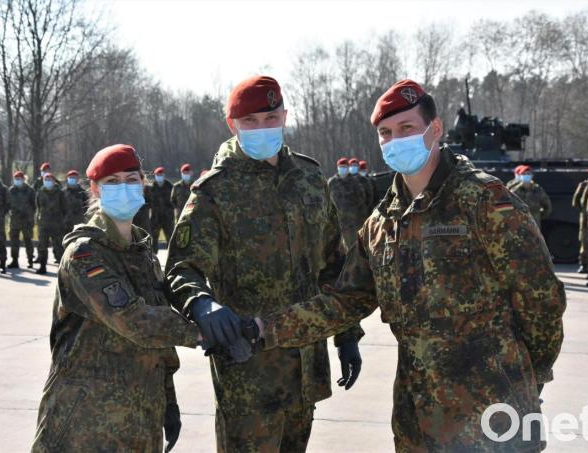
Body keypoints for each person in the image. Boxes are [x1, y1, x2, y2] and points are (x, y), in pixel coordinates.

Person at [242, 80, 566, 452]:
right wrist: (263, 328)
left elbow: (541, 300)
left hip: (493, 411)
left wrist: (529, 377)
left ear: (436, 129)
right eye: (386, 133)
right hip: (418, 419)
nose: (396, 140)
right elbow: (343, 302)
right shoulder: (382, 223)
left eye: (407, 128)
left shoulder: (484, 202)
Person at [165, 75, 364, 453]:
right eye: (251, 121)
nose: (263, 128)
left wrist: (347, 335)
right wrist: (202, 304)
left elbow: (334, 266)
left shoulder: (308, 178)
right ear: (233, 125)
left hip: (305, 364)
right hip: (247, 372)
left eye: (270, 118)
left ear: (285, 116)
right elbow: (182, 268)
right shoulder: (215, 191)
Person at [31, 144, 200, 453]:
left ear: (143, 184)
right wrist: (203, 331)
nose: (123, 188)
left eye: (131, 179)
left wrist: (168, 399)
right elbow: (135, 321)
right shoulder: (84, 254)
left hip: (139, 417)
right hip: (86, 422)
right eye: (112, 182)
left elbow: (158, 342)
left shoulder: (142, 252)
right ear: (94, 189)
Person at [328, 157, 368, 253]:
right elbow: (327, 200)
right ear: (337, 167)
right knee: (338, 250)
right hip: (337, 223)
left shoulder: (355, 182)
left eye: (345, 167)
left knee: (353, 248)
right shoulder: (332, 183)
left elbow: (362, 199)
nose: (343, 169)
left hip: (352, 223)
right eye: (341, 167)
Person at [35, 172, 67, 274]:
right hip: (43, 225)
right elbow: (38, 207)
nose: (48, 181)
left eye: (50, 180)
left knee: (58, 247)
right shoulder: (40, 193)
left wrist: (61, 220)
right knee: (42, 246)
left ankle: (62, 269)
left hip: (57, 225)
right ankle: (42, 266)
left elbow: (64, 208)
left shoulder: (60, 193)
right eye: (46, 179)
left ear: (54, 181)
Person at [8, 171, 36, 269]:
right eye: (16, 178)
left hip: (26, 221)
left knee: (28, 241)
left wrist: (30, 216)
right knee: (14, 241)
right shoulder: (11, 190)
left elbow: (34, 205)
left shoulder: (30, 190)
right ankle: (14, 260)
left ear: (24, 179)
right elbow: (8, 204)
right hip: (14, 220)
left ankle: (30, 260)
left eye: (19, 178)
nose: (17, 180)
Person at [148, 166, 175, 253]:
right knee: (153, 239)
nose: (159, 176)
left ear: (164, 175)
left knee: (171, 238)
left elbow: (175, 201)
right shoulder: (151, 187)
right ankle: (153, 258)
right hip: (155, 218)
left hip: (168, 218)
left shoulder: (170, 186)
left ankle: (171, 258)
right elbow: (148, 202)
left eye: (161, 174)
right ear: (155, 175)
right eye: (157, 175)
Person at [62, 170, 89, 235]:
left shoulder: (83, 193)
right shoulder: (63, 192)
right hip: (66, 224)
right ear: (67, 178)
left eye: (74, 178)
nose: (72, 179)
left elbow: (87, 207)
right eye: (70, 177)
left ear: (77, 179)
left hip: (79, 223)